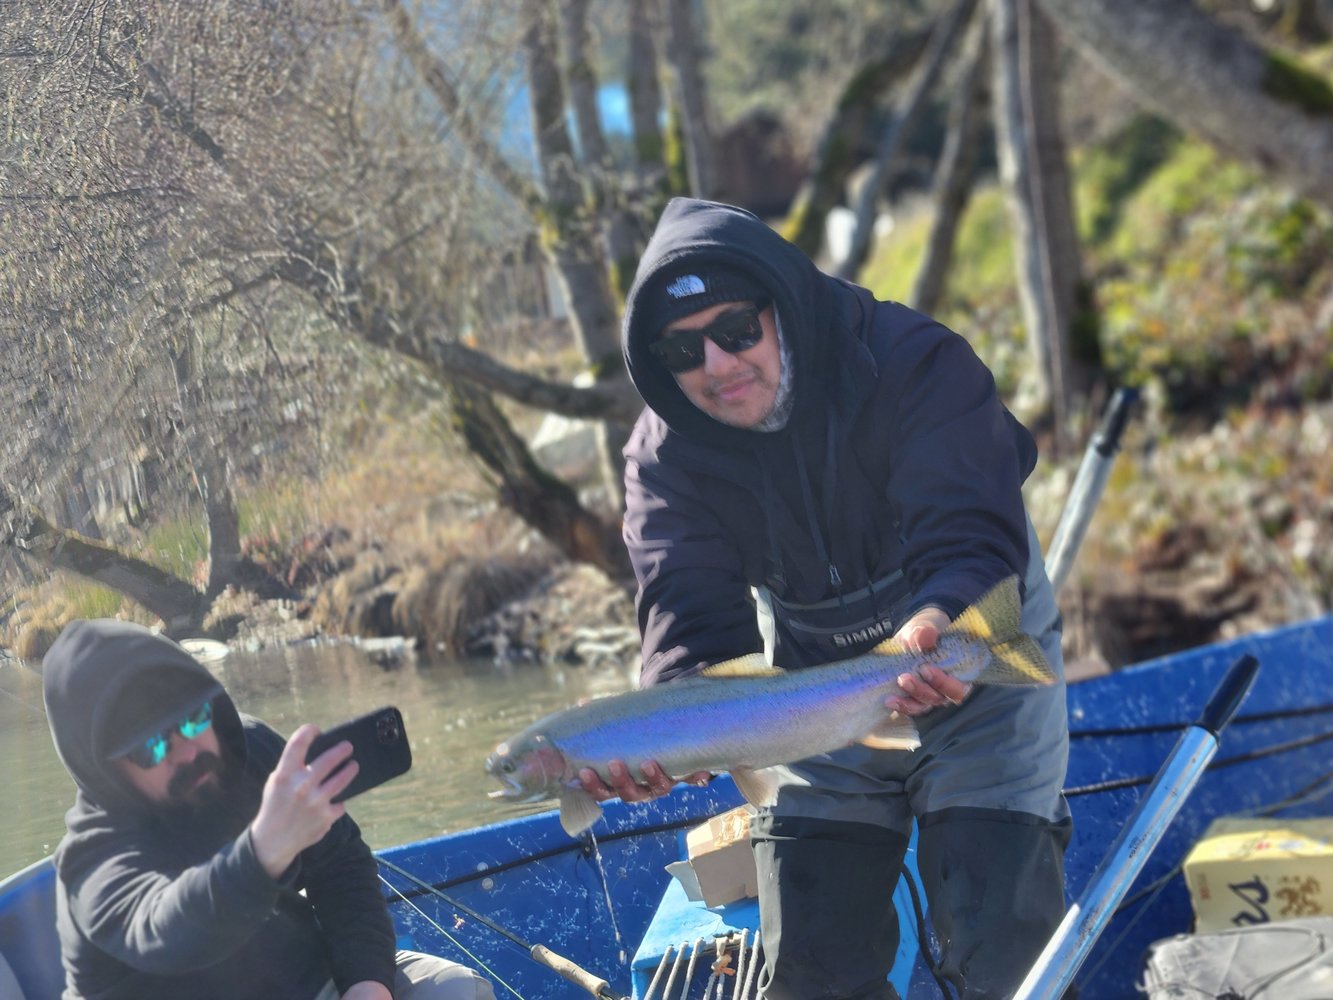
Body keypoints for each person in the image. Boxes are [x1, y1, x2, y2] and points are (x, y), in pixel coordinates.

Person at [581, 197, 1072, 999]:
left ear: (783, 313)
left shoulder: (910, 358)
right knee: (809, 966)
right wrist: (674, 733)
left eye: (736, 330)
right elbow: (690, 622)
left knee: (1000, 948)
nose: (715, 364)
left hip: (967, 630)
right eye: (681, 349)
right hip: (812, 688)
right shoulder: (662, 457)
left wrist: (938, 618)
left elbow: (970, 534)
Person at [41, 618, 496, 1000]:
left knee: (457, 988)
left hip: (307, 983)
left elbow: (340, 866)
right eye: (152, 748)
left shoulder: (248, 750)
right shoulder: (92, 859)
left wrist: (366, 982)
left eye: (192, 719)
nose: (187, 752)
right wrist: (264, 850)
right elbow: (167, 932)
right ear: (104, 769)